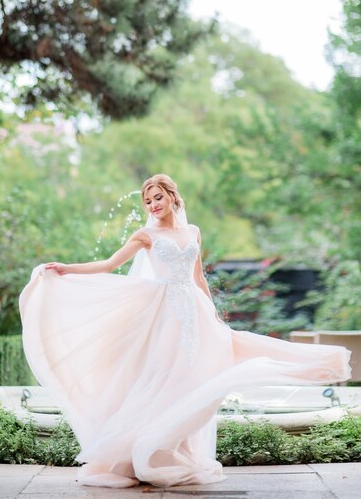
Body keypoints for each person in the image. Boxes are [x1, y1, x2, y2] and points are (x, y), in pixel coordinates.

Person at [19, 174, 351, 489]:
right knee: (165, 378)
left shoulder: (193, 231)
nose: (153, 205)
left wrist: (213, 315)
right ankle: (144, 451)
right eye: (148, 201)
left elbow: (199, 277)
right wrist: (66, 269)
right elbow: (108, 265)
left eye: (157, 197)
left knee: (198, 377)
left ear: (172, 196)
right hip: (162, 313)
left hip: (195, 312)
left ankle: (177, 450)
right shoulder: (145, 235)